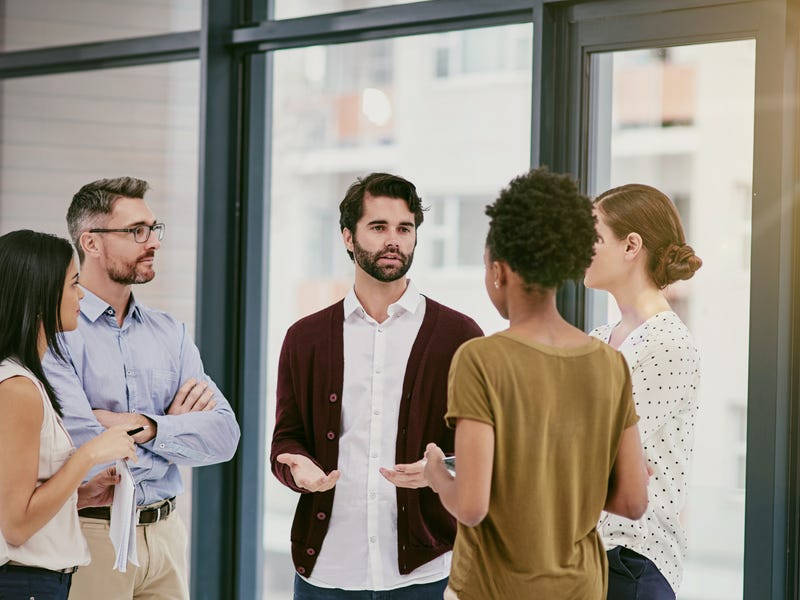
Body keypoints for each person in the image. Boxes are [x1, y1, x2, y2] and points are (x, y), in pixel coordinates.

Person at [423, 168, 651, 599]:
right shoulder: (609, 365)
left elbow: (471, 506)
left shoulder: (481, 360)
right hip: (581, 588)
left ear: (498, 271)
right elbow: (633, 501)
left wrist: (437, 474)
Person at [271, 172, 483, 599]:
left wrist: (441, 472)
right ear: (348, 237)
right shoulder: (305, 337)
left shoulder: (460, 335)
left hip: (424, 574)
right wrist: (297, 470)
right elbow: (285, 439)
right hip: (326, 571)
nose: (394, 240)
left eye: (405, 228)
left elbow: (484, 450)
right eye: (379, 227)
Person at [42, 177, 241, 600]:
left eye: (154, 229)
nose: (153, 242)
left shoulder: (171, 333)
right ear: (91, 243)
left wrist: (145, 426)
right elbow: (85, 451)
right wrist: (176, 428)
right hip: (93, 534)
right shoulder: (58, 334)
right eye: (137, 232)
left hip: (167, 535)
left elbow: (224, 436)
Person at [0, 229, 137, 600]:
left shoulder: (25, 380)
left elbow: (20, 494)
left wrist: (82, 494)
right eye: (73, 284)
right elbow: (15, 525)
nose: (81, 295)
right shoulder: (17, 388)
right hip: (25, 583)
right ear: (40, 295)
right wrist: (91, 453)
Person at [584, 183, 703, 600]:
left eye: (593, 236)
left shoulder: (668, 344)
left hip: (633, 561)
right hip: (589, 557)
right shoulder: (600, 339)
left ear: (631, 245)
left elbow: (590, 447)